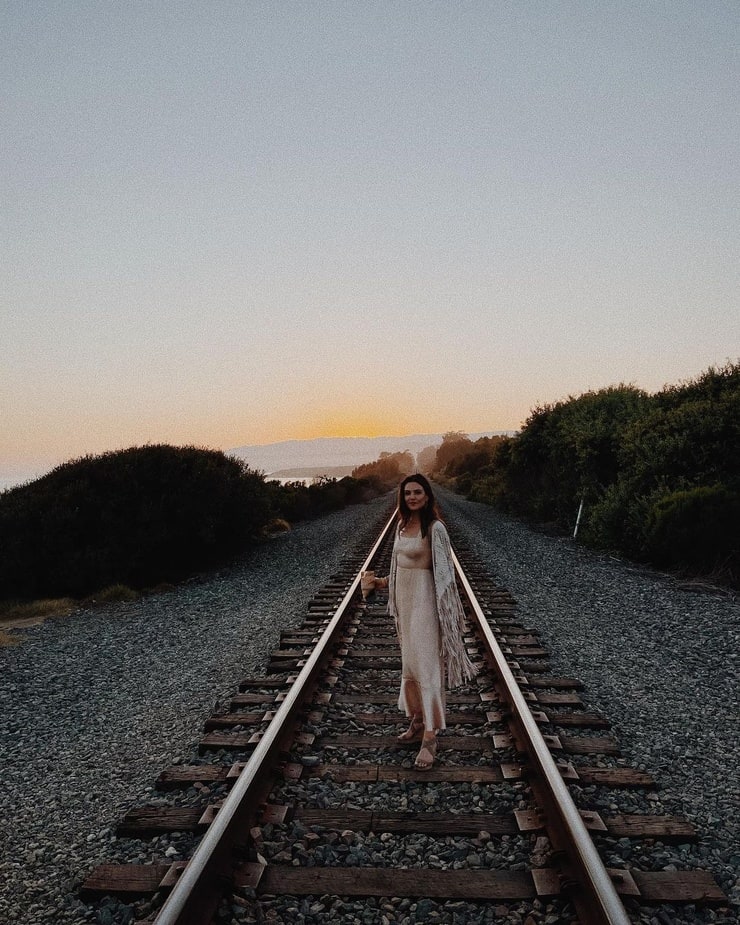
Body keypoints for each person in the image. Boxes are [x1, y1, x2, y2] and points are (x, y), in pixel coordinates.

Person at [370, 474, 477, 770]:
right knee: (411, 665)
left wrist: (447, 616)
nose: (412, 497)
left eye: (418, 492)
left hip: (426, 605)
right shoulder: (401, 526)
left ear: (428, 496)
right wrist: (380, 582)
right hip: (404, 604)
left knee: (428, 667)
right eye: (408, 494)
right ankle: (417, 719)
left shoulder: (435, 528)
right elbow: (402, 568)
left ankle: (431, 737)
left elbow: (445, 577)